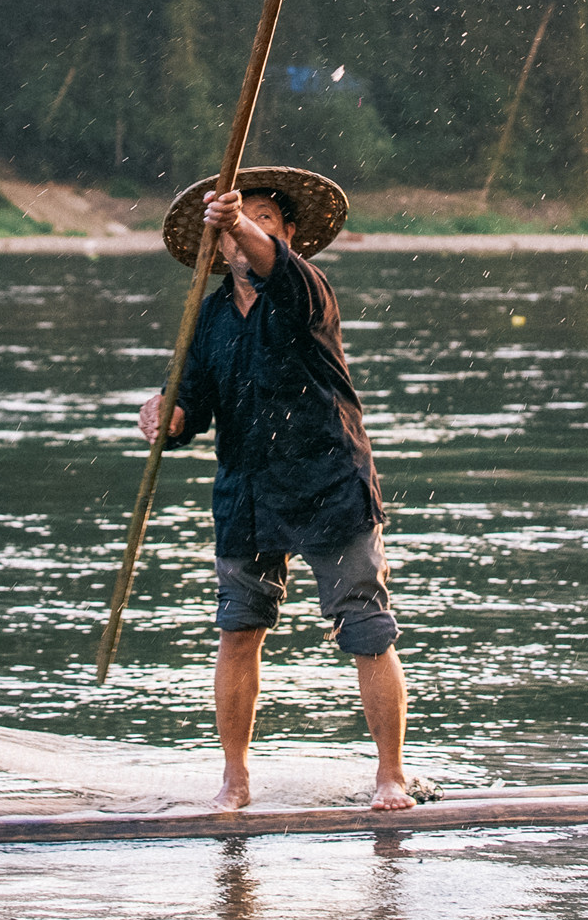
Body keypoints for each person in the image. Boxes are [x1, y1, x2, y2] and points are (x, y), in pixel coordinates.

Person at [139, 163, 412, 812]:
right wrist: (167, 416)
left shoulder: (305, 287)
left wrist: (238, 221)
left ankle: (391, 776)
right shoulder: (207, 316)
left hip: (328, 481)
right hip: (247, 490)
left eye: (263, 219)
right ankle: (234, 780)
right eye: (236, 223)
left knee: (365, 626)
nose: (246, 233)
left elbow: (272, 265)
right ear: (216, 246)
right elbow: (191, 400)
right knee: (238, 629)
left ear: (286, 234)